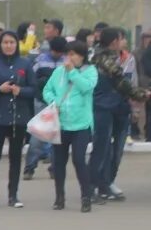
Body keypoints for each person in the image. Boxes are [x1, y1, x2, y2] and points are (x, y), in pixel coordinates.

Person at [89, 27, 149, 202]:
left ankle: (106, 184)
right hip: (103, 108)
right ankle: (91, 187)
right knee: (101, 148)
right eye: (122, 39)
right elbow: (121, 83)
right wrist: (143, 95)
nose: (124, 42)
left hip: (119, 108)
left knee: (116, 150)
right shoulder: (102, 59)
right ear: (114, 41)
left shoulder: (119, 57)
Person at [0, 30, 35, 208]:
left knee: (15, 157)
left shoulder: (25, 63)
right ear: (0, 45)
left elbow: (34, 90)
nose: (9, 46)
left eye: (12, 42)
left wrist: (21, 91)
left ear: (17, 44)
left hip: (18, 118)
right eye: (5, 43)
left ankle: (13, 195)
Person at [44, 41, 97, 212]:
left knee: (79, 160)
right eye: (69, 54)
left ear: (82, 56)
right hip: (61, 123)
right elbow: (47, 90)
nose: (70, 57)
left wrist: (72, 72)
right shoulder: (59, 72)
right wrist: (54, 102)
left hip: (81, 124)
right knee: (59, 162)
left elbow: (86, 88)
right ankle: (59, 197)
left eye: (74, 54)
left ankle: (86, 196)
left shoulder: (90, 71)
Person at [24, 36, 68, 180]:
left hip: (61, 104)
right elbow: (31, 78)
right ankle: (29, 167)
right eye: (56, 52)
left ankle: (55, 168)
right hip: (42, 102)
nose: (58, 54)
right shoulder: (40, 60)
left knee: (57, 137)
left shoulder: (66, 62)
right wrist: (41, 84)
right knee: (38, 135)